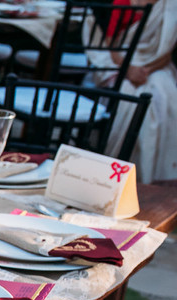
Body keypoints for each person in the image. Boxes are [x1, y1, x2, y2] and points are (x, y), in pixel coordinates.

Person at [87, 0, 177, 182]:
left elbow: (167, 52)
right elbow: (111, 47)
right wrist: (129, 70)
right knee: (129, 95)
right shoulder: (124, 2)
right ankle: (117, 163)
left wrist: (146, 70)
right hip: (123, 62)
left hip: (155, 65)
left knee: (162, 93)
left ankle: (151, 175)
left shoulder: (171, 5)